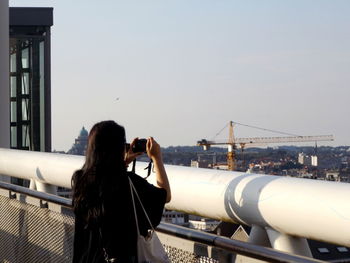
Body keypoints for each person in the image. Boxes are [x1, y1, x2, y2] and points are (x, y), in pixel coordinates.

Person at [72, 120, 171, 263]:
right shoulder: (129, 183)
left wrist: (123, 163)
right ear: (118, 148)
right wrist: (157, 158)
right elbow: (165, 195)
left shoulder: (80, 180)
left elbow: (104, 180)